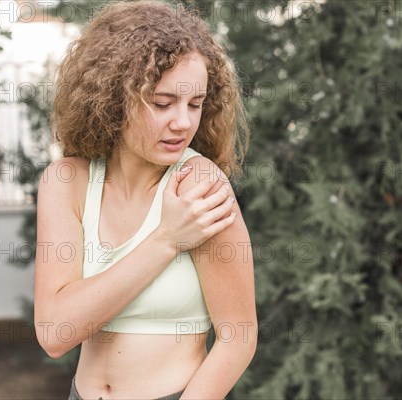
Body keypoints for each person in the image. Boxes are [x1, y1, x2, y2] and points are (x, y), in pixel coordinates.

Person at [33, 1, 257, 399]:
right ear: (114, 98)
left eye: (195, 103)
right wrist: (165, 240)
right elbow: (54, 332)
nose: (184, 122)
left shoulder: (198, 185)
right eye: (162, 102)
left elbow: (238, 337)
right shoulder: (67, 182)